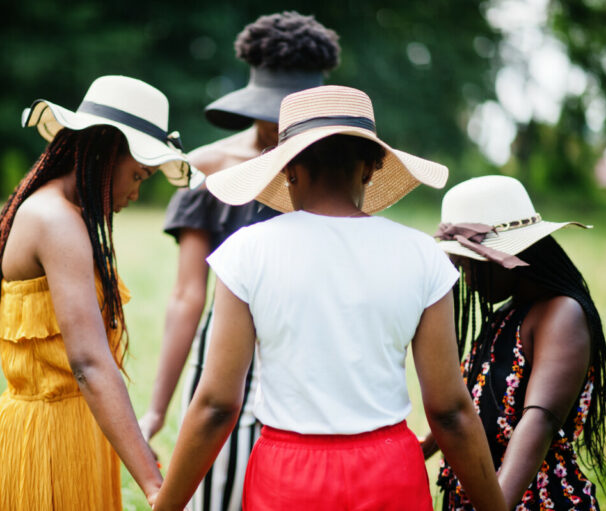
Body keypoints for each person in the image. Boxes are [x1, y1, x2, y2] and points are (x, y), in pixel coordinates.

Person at [153, 85, 507, 511]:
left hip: (287, 478)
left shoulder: (247, 251)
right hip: (390, 472)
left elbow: (215, 405)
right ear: (373, 167)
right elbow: (450, 410)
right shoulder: (422, 254)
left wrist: (167, 505)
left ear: (286, 169)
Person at [139, 13, 340, 511]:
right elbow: (188, 295)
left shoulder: (338, 172)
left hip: (311, 357)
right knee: (216, 494)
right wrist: (158, 411)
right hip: (228, 359)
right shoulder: (208, 169)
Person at [0, 75, 195, 510]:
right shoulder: (56, 220)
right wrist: (155, 486)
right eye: (138, 175)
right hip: (47, 443)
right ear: (106, 152)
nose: (136, 192)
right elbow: (90, 365)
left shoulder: (63, 214)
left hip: (78, 432)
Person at [426, 175, 606, 510]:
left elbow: (538, 422)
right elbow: (467, 405)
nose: (465, 276)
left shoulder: (562, 315)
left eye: (469, 264)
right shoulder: (507, 315)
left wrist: (495, 503)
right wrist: (413, 453)